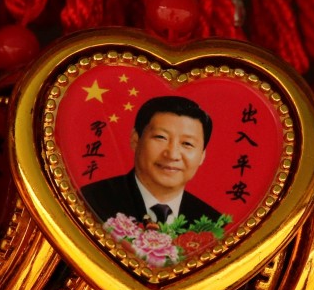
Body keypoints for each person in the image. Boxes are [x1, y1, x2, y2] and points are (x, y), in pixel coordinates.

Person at [81, 96, 221, 225]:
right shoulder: (90, 202)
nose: (172, 155)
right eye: (161, 137)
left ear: (202, 155)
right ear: (135, 140)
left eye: (187, 144)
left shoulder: (212, 223)